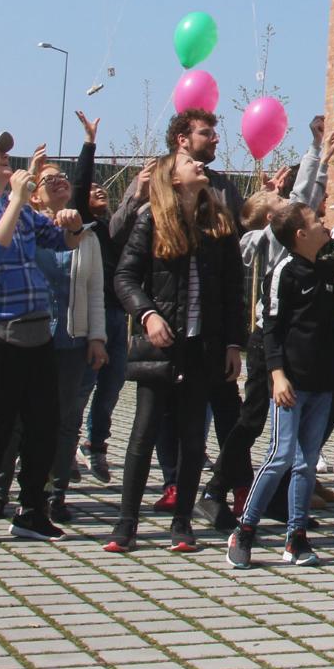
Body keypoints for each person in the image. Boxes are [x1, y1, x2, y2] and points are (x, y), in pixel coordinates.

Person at [195, 120, 334, 531]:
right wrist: (316, 154)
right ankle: (215, 489)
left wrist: (318, 157)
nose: (291, 203)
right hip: (269, 343)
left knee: (294, 414)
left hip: (288, 344)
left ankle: (280, 494)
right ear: (270, 220)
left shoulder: (277, 238)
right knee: (254, 418)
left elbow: (303, 198)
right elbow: (304, 197)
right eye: (278, 202)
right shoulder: (275, 241)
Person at [105, 152, 245, 553]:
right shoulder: (151, 218)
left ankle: (182, 523)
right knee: (143, 431)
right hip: (161, 347)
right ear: (174, 177)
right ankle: (125, 524)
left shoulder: (219, 223)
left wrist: (234, 343)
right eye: (189, 163)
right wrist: (147, 314)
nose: (199, 165)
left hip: (204, 348)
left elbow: (234, 290)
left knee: (191, 438)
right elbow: (125, 276)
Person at [226, 201, 334, 568]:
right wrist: (277, 375)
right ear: (300, 234)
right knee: (281, 456)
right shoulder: (285, 271)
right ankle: (245, 529)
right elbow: (272, 329)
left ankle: (296, 537)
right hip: (291, 384)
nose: (323, 224)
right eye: (316, 221)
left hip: (322, 384)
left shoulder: (325, 272)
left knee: (306, 463)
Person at [0, 134, 85, 541]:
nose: (4, 159)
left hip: (38, 333)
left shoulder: (23, 213)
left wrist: (73, 225)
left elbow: (61, 240)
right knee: (1, 427)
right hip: (2, 335)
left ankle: (32, 510)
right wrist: (17, 198)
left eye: (3, 153)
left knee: (44, 426)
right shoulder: (11, 206)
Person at [28, 153, 107, 524]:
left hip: (71, 341)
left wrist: (97, 337)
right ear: (34, 196)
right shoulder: (24, 228)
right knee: (19, 420)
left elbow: (94, 290)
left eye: (63, 177)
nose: (59, 181)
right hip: (29, 339)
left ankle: (55, 495)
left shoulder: (86, 235)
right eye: (49, 180)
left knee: (66, 421)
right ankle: (5, 491)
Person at [72, 111, 133, 486]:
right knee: (83, 387)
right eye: (94, 190)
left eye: (103, 189)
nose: (99, 190)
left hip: (116, 316)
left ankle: (96, 444)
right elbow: (79, 186)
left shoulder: (112, 229)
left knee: (111, 387)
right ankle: (68, 445)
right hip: (89, 318)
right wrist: (89, 143)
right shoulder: (82, 223)